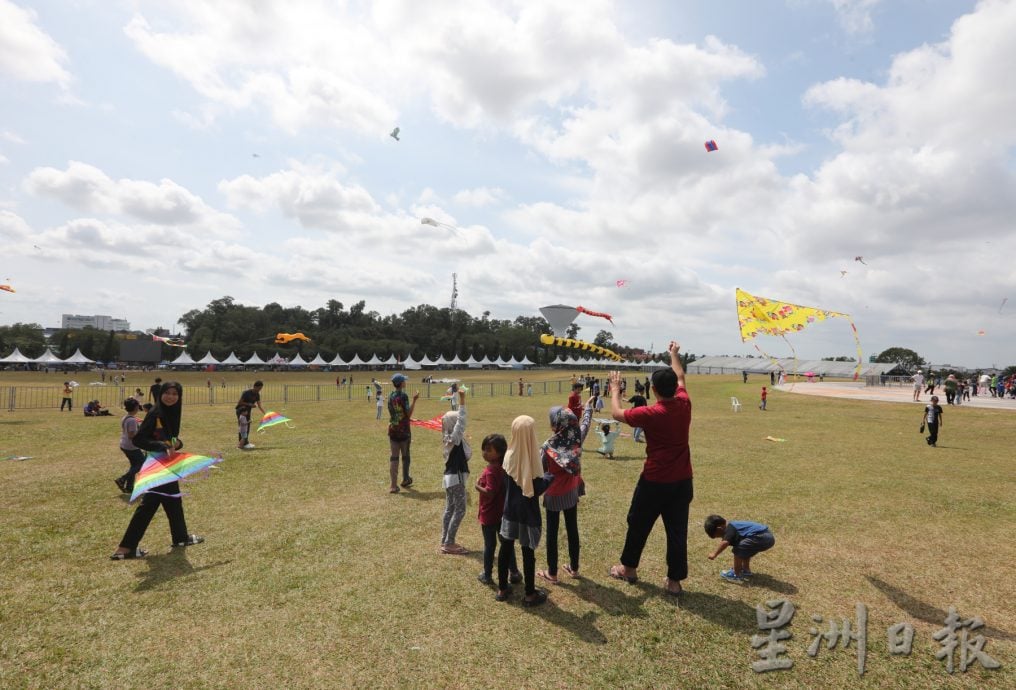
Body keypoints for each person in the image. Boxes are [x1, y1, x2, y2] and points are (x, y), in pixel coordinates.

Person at [607, 341, 692, 597]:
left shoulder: (651, 413)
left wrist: (614, 390)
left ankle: (628, 569)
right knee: (677, 530)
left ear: (653, 390)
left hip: (654, 480)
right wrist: (674, 354)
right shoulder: (684, 403)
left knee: (638, 522)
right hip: (682, 480)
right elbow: (680, 375)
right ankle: (674, 581)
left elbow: (616, 414)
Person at [110, 381, 203, 559]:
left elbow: (170, 437)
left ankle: (180, 537)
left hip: (166, 464)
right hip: (158, 465)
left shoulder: (171, 412)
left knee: (173, 501)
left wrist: (176, 443)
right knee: (149, 505)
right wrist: (162, 445)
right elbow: (138, 439)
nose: (171, 397)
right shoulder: (156, 413)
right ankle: (126, 548)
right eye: (167, 393)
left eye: (175, 394)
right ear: (160, 394)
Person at [497, 415, 555, 606]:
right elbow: (535, 488)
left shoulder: (508, 454)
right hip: (527, 514)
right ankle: (530, 594)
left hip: (509, 511)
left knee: (505, 547)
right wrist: (549, 476)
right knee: (527, 551)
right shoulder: (532, 459)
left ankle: (502, 589)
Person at [537, 401, 593, 585]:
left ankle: (552, 573)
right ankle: (574, 568)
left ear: (556, 425)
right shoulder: (576, 438)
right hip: (571, 492)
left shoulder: (547, 447)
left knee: (552, 534)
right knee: (572, 529)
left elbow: (540, 470)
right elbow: (584, 425)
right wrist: (588, 409)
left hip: (553, 495)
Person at [475, 434, 521, 586]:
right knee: (506, 544)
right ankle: (514, 572)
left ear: (500, 453)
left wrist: (477, 486)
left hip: (489, 515)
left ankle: (487, 575)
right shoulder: (505, 467)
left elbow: (490, 492)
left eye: (489, 450)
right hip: (503, 513)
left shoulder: (491, 471)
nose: (484, 453)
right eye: (484, 449)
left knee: (490, 545)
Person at [439, 389, 470, 554]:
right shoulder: (455, 437)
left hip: (448, 478)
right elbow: (462, 421)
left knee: (449, 509)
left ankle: (444, 541)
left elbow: (459, 423)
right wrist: (462, 399)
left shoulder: (447, 437)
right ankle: (449, 542)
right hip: (455, 479)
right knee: (460, 509)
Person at [704, 515, 775, 582]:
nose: (722, 537)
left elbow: (725, 543)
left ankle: (736, 573)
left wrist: (714, 554)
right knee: (744, 551)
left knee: (739, 548)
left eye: (719, 536)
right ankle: (745, 570)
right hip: (767, 537)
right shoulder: (733, 528)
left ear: (719, 529)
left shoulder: (730, 527)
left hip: (761, 536)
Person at [387, 373, 419, 493]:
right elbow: (408, 413)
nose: (405, 382)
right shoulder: (403, 396)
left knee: (394, 458)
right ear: (400, 383)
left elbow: (392, 413)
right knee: (406, 456)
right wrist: (415, 400)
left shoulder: (390, 396)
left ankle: (393, 485)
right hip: (404, 431)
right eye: (404, 381)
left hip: (393, 430)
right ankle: (405, 479)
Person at [114, 398, 145, 494]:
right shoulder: (132, 420)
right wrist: (142, 433)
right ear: (136, 407)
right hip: (131, 447)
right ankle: (122, 479)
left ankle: (129, 487)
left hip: (124, 445)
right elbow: (131, 435)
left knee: (134, 466)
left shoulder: (126, 417)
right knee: (141, 464)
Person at [235, 381, 265, 450]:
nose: (260, 390)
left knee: (247, 427)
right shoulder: (246, 393)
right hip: (241, 411)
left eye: (261, 388)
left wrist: (265, 413)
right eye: (259, 388)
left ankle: (245, 442)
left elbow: (259, 406)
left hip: (247, 412)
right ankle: (242, 444)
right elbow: (240, 402)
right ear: (255, 386)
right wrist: (250, 404)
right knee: (243, 427)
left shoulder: (257, 394)